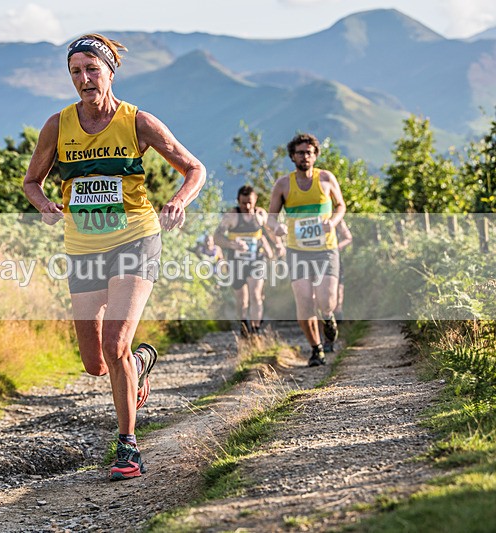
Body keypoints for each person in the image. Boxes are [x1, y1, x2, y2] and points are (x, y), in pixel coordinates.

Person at [22, 34, 206, 481]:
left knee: (115, 342)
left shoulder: (138, 121)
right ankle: (140, 364)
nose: (84, 79)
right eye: (75, 72)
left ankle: (128, 446)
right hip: (84, 245)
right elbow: (32, 181)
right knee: (95, 362)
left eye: (91, 69)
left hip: (135, 237)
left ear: (110, 71)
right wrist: (45, 204)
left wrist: (179, 200)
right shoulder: (57, 125)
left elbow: (194, 168)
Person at [267, 133, 346, 367]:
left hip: (326, 249)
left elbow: (341, 205)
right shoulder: (283, 184)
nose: (305, 156)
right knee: (304, 301)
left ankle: (329, 318)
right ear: (292, 156)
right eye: (300, 153)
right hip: (297, 251)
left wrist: (333, 221)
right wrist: (276, 227)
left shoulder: (326, 179)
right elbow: (270, 217)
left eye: (309, 152)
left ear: (315, 155)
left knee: (325, 300)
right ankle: (316, 349)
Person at [214, 185, 282, 338]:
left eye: (250, 202)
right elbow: (216, 237)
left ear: (255, 200)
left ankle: (256, 328)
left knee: (256, 294)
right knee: (241, 299)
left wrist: (278, 245)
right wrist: (232, 244)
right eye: (244, 203)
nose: (247, 206)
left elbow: (271, 231)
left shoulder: (260, 214)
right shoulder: (231, 216)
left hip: (256, 260)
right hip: (236, 262)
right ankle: (243, 323)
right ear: (238, 201)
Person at [324, 218, 352, 351]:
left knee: (338, 299)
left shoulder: (337, 219)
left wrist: (337, 246)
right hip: (313, 260)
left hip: (334, 260)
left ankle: (338, 331)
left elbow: (348, 237)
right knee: (319, 302)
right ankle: (326, 340)